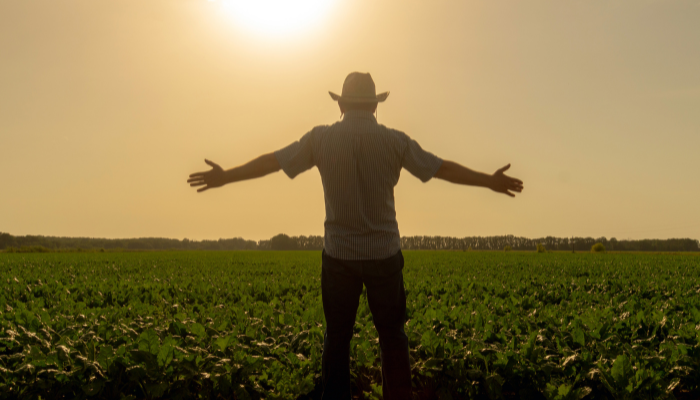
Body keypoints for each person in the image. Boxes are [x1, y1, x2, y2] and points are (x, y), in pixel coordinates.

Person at [187, 72, 524, 400]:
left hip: (339, 257)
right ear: (375, 106)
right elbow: (441, 168)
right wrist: (489, 181)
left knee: (337, 338)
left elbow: (273, 162)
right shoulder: (396, 141)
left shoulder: (320, 139)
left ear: (341, 105)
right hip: (384, 254)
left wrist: (225, 177)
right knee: (392, 337)